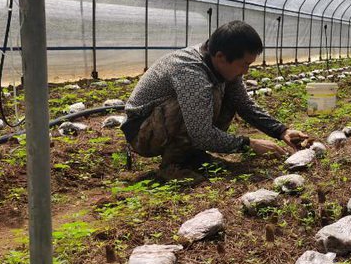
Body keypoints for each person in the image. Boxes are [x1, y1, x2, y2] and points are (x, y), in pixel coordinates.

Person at [121, 20, 310, 180]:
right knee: (206, 96)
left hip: (163, 124)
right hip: (143, 131)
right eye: (244, 64)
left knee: (229, 98)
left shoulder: (221, 67)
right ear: (220, 56)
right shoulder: (190, 70)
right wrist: (249, 144)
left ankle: (192, 157)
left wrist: (281, 131)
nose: (246, 71)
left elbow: (244, 105)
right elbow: (201, 133)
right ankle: (174, 165)